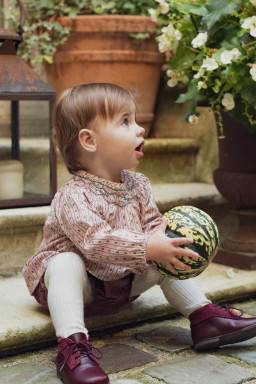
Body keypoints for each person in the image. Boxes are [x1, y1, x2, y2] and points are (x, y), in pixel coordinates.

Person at [23, 83, 256, 384]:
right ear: (89, 140)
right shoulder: (73, 195)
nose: (140, 129)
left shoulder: (139, 184)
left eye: (135, 119)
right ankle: (73, 348)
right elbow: (96, 241)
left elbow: (152, 228)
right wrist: (148, 245)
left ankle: (205, 319)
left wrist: (174, 246)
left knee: (163, 254)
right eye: (125, 122)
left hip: (119, 286)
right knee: (65, 262)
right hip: (78, 286)